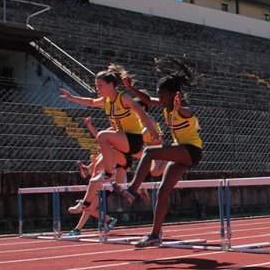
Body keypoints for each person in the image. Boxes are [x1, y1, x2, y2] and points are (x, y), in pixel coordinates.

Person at [112, 57, 203, 248]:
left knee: (149, 153)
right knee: (162, 191)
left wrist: (180, 108)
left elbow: (189, 112)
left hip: (191, 150)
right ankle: (154, 235)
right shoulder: (164, 105)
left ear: (173, 95)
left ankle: (132, 189)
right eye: (158, 95)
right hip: (181, 151)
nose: (160, 99)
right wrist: (129, 88)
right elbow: (145, 100)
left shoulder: (181, 108)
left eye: (163, 96)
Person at [59, 64, 158, 184]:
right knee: (99, 167)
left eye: (100, 86)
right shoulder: (106, 100)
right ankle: (91, 200)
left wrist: (153, 131)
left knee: (102, 136)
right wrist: (72, 97)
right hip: (123, 140)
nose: (97, 89)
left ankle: (109, 172)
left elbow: (142, 113)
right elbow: (92, 102)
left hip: (134, 139)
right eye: (96, 86)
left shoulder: (123, 98)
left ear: (111, 85)